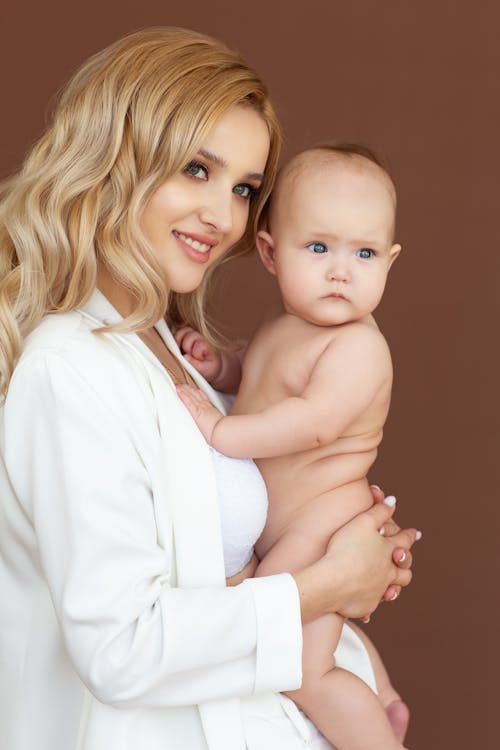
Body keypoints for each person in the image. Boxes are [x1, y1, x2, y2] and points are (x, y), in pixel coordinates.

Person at [0, 28, 418, 750]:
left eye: (244, 189)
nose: (222, 217)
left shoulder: (161, 344)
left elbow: (215, 580)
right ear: (116, 159)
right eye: (196, 169)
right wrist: (330, 582)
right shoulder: (67, 372)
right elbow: (123, 647)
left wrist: (354, 585)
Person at [176, 144, 410, 749]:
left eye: (363, 253)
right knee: (290, 625)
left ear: (389, 260)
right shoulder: (285, 327)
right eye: (318, 248)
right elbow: (261, 384)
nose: (341, 270)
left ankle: (379, 736)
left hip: (319, 525)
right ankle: (384, 695)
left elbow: (312, 423)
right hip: (283, 527)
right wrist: (221, 367)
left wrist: (220, 430)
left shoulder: (359, 347)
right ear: (270, 254)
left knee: (305, 672)